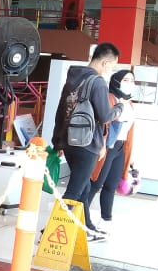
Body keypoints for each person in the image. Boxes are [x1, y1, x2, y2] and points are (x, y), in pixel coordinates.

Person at [51, 41, 124, 240]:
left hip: (69, 142)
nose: (110, 70)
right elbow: (105, 115)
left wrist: (57, 141)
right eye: (112, 66)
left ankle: (87, 228)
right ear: (105, 63)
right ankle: (50, 234)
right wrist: (119, 108)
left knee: (83, 187)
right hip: (87, 144)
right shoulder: (98, 82)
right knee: (74, 191)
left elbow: (61, 111)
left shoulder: (73, 78)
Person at [88, 69, 137, 236]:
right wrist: (102, 146)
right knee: (95, 183)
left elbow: (130, 131)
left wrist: (130, 156)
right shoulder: (109, 98)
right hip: (106, 147)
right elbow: (104, 123)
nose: (129, 84)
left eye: (132, 81)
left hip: (120, 148)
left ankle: (105, 222)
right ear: (116, 82)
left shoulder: (130, 104)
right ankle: (81, 219)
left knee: (110, 186)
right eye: (125, 80)